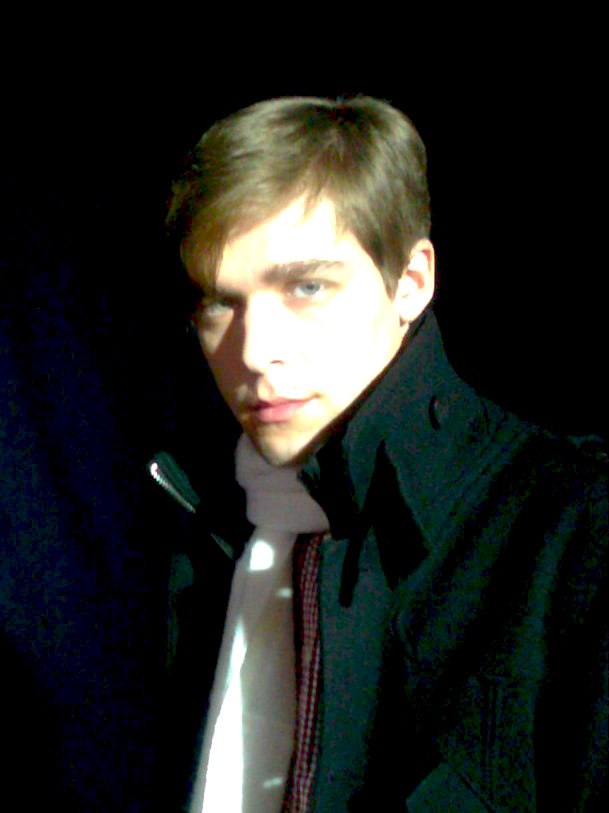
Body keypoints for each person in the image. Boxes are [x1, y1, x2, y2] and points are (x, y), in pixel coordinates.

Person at [157, 96, 607, 812]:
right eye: (221, 301)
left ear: (411, 282)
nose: (255, 351)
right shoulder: (194, 529)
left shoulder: (574, 534)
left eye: (307, 287)